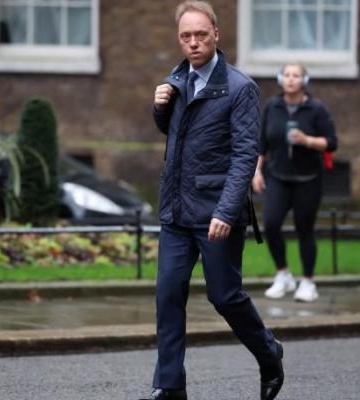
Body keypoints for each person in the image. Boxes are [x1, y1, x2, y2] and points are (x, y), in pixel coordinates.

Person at [142, 2, 284, 400]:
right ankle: (169, 386)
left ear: (216, 34)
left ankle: (268, 351)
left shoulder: (240, 88)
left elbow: (244, 156)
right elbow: (172, 133)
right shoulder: (176, 79)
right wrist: (159, 108)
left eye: (200, 35)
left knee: (224, 296)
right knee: (168, 294)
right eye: (185, 36)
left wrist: (225, 211)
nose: (193, 43)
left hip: (216, 215)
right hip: (176, 211)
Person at [253, 63, 338, 302]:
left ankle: (308, 282)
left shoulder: (316, 109)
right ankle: (283, 274)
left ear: (304, 81)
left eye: (296, 75)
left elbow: (331, 142)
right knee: (270, 224)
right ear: (281, 79)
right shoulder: (272, 107)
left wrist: (306, 140)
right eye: (287, 75)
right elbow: (261, 143)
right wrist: (257, 172)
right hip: (278, 175)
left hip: (308, 178)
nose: (291, 80)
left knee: (304, 229)